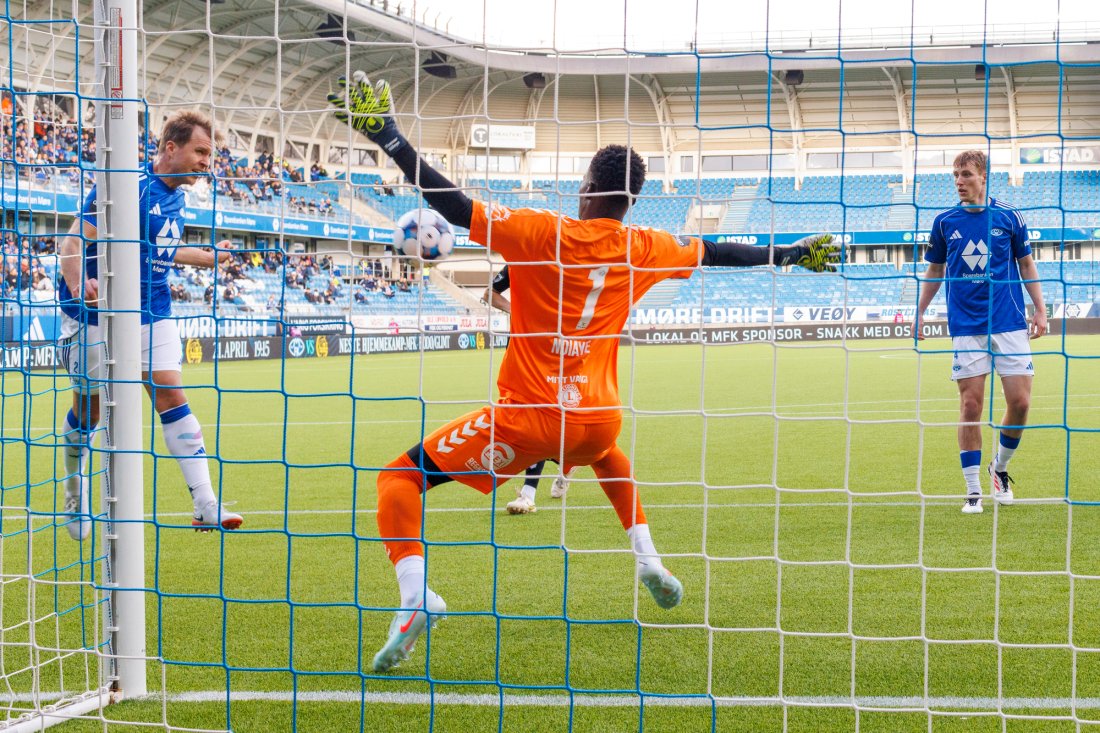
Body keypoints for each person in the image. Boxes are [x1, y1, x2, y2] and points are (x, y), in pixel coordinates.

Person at [329, 72, 839, 673]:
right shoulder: (646, 246)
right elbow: (722, 251)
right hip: (595, 420)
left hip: (529, 422)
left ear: (588, 187)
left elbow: (453, 204)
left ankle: (418, 598)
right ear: (632, 200)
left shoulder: (541, 232)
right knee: (606, 451)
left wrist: (387, 135)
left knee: (399, 477)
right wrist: (794, 253)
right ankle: (648, 559)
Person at [57, 109, 245, 542]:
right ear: (170, 148)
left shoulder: (178, 195)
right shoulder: (126, 187)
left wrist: (205, 256)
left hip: (151, 309)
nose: (206, 162)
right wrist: (77, 283)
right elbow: (72, 241)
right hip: (95, 313)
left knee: (169, 388)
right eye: (200, 151)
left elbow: (156, 249)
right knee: (90, 411)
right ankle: (73, 487)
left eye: (209, 154)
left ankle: (205, 503)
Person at [916, 149, 1047, 515]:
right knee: (970, 404)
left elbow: (1026, 263)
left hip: (1008, 322)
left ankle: (999, 469)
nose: (960, 181)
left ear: (984, 176)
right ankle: (973, 490)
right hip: (967, 326)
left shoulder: (1008, 216)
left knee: (1020, 403)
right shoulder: (944, 222)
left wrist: (1039, 307)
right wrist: (920, 312)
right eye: (956, 175)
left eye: (967, 174)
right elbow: (934, 271)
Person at [482, 264, 574, 514]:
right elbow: (489, 294)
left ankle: (528, 494)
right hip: (520, 351)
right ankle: (565, 462)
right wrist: (518, 311)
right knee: (529, 417)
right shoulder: (518, 260)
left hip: (556, 350)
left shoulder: (567, 259)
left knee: (539, 417)